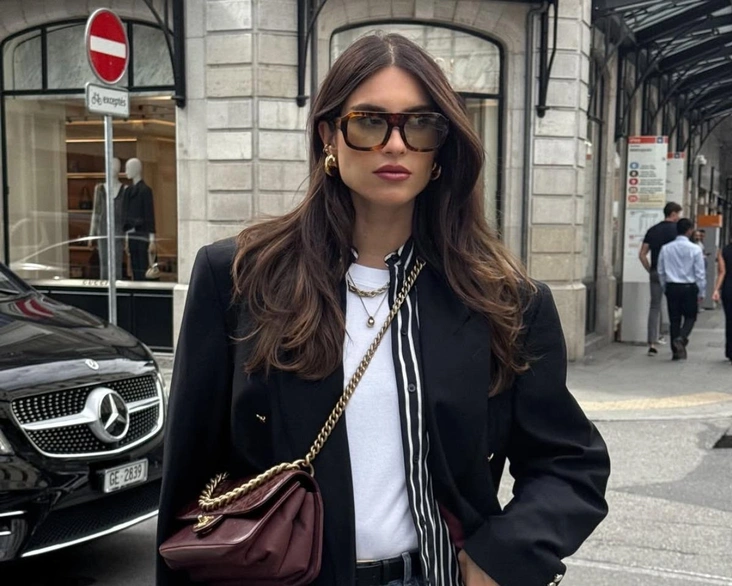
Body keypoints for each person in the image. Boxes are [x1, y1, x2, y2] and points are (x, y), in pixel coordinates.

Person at [157, 33, 610, 586]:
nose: (395, 145)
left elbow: (571, 463)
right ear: (329, 135)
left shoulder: (503, 301)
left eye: (420, 125)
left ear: (440, 149)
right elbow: (188, 481)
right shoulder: (240, 279)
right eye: (370, 122)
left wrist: (502, 558)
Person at [657, 218, 706, 361]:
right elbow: (700, 273)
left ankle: (675, 352)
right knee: (690, 316)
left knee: (674, 319)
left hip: (672, 286)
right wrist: (701, 291)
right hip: (689, 287)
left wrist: (665, 287)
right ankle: (682, 338)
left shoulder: (666, 248)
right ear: (689, 231)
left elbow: (661, 271)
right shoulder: (695, 249)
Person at [639, 202, 682, 356]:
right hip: (673, 274)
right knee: (675, 306)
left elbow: (642, 254)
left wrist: (650, 269)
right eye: (678, 214)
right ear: (673, 214)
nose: (679, 217)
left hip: (656, 271)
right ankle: (675, 341)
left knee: (654, 306)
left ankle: (652, 342)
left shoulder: (653, 230)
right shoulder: (677, 231)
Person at [712, 240, 732, 362]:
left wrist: (716, 289)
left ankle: (730, 350)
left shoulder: (724, 251)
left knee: (729, 320)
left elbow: (722, 272)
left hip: (728, 288)